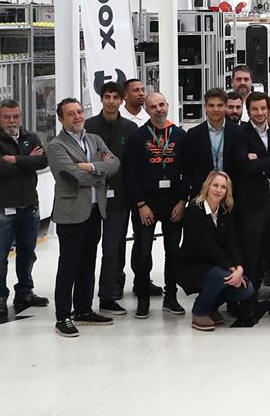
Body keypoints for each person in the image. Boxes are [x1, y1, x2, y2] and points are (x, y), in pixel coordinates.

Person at [47, 98, 120, 337]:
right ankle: (63, 317)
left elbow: (115, 163)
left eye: (79, 111)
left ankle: (83, 309)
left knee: (88, 262)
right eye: (71, 114)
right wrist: (99, 171)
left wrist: (88, 166)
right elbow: (71, 176)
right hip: (71, 214)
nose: (77, 116)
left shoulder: (94, 139)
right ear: (61, 119)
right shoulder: (56, 146)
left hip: (94, 210)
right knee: (69, 264)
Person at [123, 92, 189, 319]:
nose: (158, 109)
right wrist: (140, 204)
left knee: (173, 251)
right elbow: (129, 173)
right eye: (153, 106)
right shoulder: (138, 136)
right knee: (143, 251)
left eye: (161, 105)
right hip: (146, 203)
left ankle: (171, 296)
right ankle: (143, 297)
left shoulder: (180, 135)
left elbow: (187, 173)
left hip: (173, 203)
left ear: (168, 106)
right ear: (147, 110)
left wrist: (182, 201)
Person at [235, 91, 270, 326]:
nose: (259, 113)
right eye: (255, 109)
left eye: (263, 109)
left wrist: (259, 161)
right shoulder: (239, 133)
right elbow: (244, 167)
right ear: (248, 111)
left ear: (269, 110)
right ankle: (248, 304)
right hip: (253, 204)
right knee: (252, 254)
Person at [0, 99, 48, 317]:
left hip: (29, 206)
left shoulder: (30, 137)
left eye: (16, 116)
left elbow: (43, 162)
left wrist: (14, 159)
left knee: (28, 253)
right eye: (7, 116)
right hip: (2, 209)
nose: (12, 120)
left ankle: (24, 292)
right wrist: (26, 162)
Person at [83, 83, 139, 315]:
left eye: (116, 97)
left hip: (119, 198)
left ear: (122, 100)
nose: (112, 101)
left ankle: (109, 294)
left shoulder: (130, 128)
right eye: (107, 97)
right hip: (92, 198)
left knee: (113, 249)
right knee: (88, 249)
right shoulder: (88, 126)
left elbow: (133, 165)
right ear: (101, 99)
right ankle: (83, 299)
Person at [176, 170, 254, 332]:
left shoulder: (225, 211)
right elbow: (207, 245)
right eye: (215, 185)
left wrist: (239, 268)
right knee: (223, 276)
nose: (219, 190)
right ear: (207, 186)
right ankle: (200, 311)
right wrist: (231, 268)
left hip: (217, 265)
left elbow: (233, 242)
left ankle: (211, 306)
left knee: (247, 289)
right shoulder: (193, 209)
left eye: (223, 187)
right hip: (193, 266)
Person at [182, 88, 245, 203]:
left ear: (225, 106)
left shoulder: (239, 132)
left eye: (220, 105)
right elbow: (188, 169)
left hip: (232, 194)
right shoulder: (193, 134)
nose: (216, 109)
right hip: (202, 194)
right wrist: (183, 199)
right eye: (211, 105)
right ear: (205, 106)